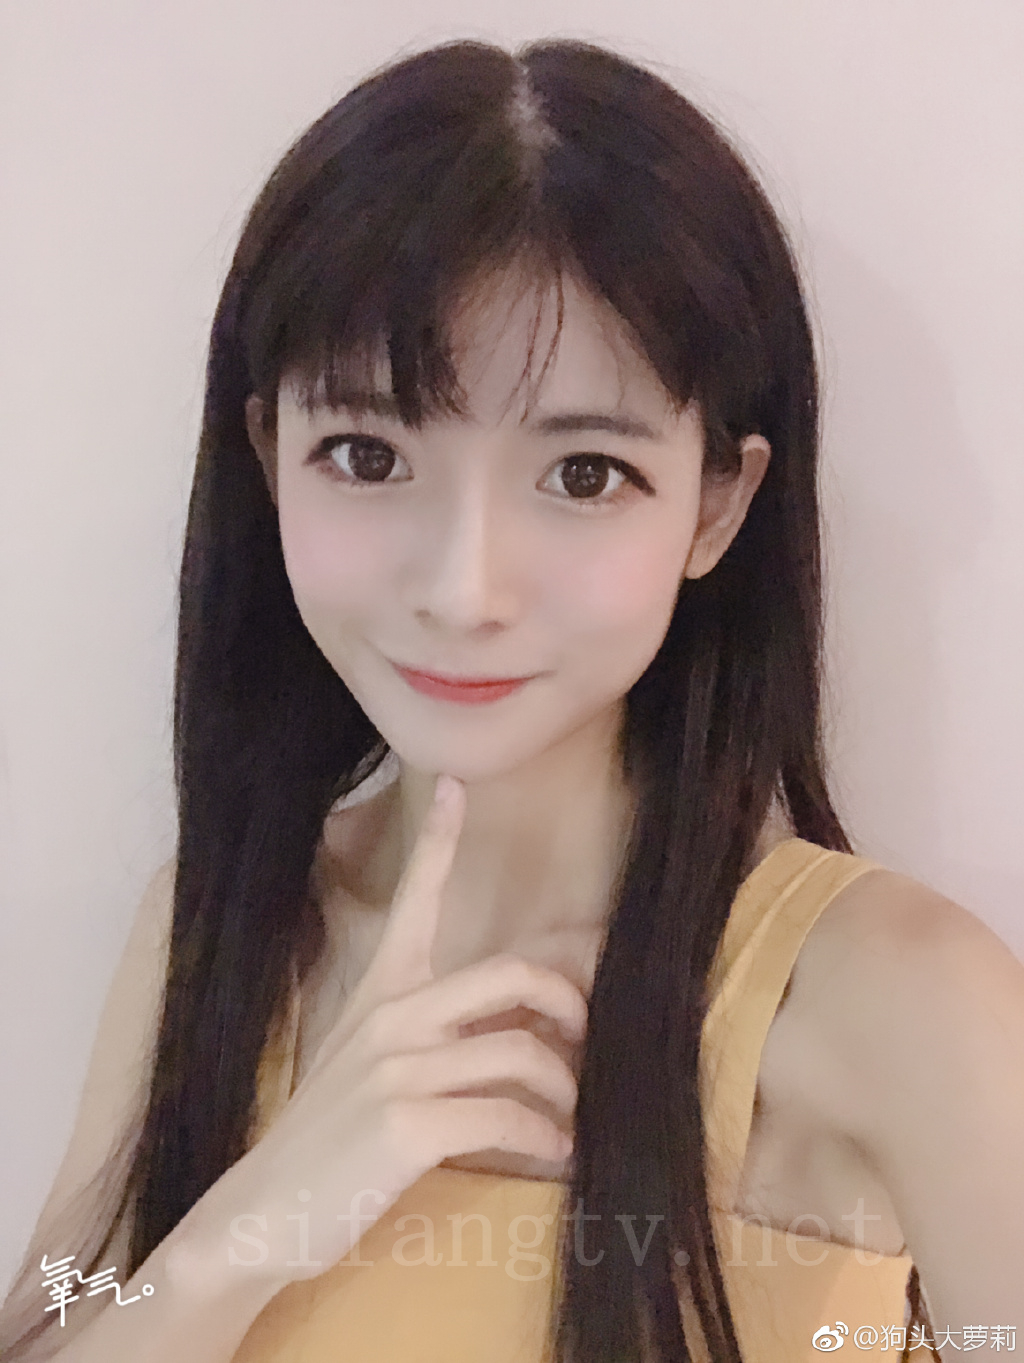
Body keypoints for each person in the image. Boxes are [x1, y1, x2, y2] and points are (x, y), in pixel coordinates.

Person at [2, 35, 1022, 1363]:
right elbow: (58, 1319)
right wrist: (254, 1228)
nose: (465, 588)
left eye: (584, 474)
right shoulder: (223, 927)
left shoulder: (900, 1004)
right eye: (366, 455)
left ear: (717, 505)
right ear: (268, 457)